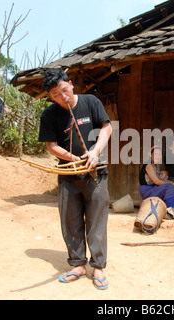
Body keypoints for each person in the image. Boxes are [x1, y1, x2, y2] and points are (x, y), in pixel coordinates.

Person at [38, 69, 112, 290]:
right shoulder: (49, 115)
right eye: (56, 95)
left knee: (97, 221)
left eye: (64, 91)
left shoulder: (90, 102)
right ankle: (78, 264)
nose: (63, 98)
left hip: (95, 171)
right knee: (71, 221)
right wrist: (71, 159)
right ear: (50, 97)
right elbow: (51, 146)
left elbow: (107, 127)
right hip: (68, 175)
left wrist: (95, 152)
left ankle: (98, 266)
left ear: (71, 84)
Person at [139, 146, 174, 219]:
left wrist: (171, 182)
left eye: (160, 154)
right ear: (150, 155)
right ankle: (169, 211)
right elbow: (157, 181)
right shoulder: (149, 165)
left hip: (154, 188)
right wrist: (170, 184)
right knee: (168, 186)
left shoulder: (157, 166)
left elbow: (161, 180)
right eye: (155, 154)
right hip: (147, 190)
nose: (158, 156)